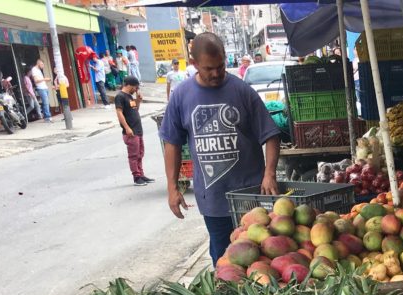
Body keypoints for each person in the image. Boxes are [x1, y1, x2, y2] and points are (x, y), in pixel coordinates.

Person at [160, 33, 281, 265]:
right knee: (223, 261)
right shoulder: (181, 96)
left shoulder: (242, 91)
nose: (216, 73)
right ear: (194, 64)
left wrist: (269, 174)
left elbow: (271, 135)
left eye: (220, 66)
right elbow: (172, 143)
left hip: (249, 196)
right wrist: (172, 187)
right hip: (213, 198)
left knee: (259, 258)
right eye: (209, 68)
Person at [114, 76, 152, 186]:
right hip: (131, 131)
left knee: (140, 153)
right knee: (134, 155)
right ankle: (136, 177)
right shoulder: (120, 96)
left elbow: (135, 110)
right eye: (136, 87)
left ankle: (141, 174)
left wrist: (138, 100)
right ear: (130, 85)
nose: (136, 89)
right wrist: (127, 128)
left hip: (138, 130)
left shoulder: (130, 97)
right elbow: (119, 113)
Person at [30, 58, 52, 123]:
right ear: (38, 63)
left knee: (46, 103)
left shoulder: (39, 70)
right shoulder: (34, 70)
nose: (43, 66)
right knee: (46, 103)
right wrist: (45, 79)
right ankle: (47, 117)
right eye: (42, 64)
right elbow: (36, 80)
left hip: (44, 88)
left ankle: (46, 116)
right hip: (41, 88)